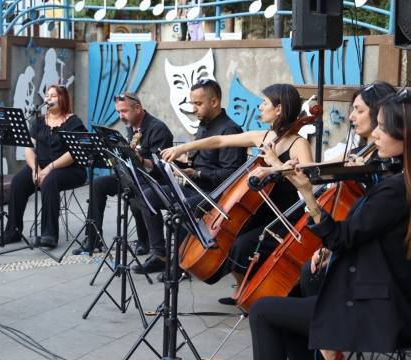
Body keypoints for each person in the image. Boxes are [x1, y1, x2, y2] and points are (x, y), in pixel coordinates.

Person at [249, 89, 411, 359]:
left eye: (384, 127)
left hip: (378, 307)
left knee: (262, 312)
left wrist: (309, 195)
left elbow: (339, 238)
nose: (377, 135)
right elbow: (374, 236)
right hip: (384, 294)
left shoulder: (395, 189)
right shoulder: (397, 180)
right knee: (305, 284)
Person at [162, 83, 313, 304]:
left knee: (242, 245)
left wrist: (274, 164)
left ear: (279, 109)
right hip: (259, 208)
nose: (260, 107)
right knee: (228, 240)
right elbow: (220, 140)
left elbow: (308, 179)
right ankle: (243, 287)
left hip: (283, 213)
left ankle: (253, 290)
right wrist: (183, 148)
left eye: (265, 103)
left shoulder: (299, 143)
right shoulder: (266, 135)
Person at [131, 79, 246, 280]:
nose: (193, 109)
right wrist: (184, 165)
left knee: (180, 210)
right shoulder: (204, 125)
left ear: (214, 101)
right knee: (148, 195)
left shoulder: (230, 130)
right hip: (194, 185)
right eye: (192, 103)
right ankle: (161, 255)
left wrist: (197, 174)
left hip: (215, 194)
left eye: (198, 104)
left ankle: (182, 264)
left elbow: (231, 176)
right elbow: (200, 161)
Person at [299, 81, 396, 297]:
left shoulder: (393, 171)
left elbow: (375, 212)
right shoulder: (360, 153)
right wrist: (275, 169)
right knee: (309, 272)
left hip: (371, 244)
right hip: (356, 233)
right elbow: (319, 168)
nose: (351, 117)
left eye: (359, 110)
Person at [72, 91, 174, 256]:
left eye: (124, 111)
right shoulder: (130, 127)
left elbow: (161, 166)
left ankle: (146, 240)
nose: (121, 116)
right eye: (118, 112)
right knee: (98, 185)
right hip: (132, 175)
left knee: (136, 193)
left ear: (138, 108)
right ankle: (92, 238)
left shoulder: (157, 129)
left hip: (153, 179)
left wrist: (139, 159)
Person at [1, 85, 88, 248]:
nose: (48, 98)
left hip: (70, 169)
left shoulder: (73, 121)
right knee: (18, 182)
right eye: (47, 95)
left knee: (49, 182)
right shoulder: (39, 121)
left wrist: (48, 169)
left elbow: (73, 153)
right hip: (40, 166)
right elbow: (29, 148)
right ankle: (13, 231)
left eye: (53, 95)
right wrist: (36, 169)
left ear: (63, 99)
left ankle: (49, 234)